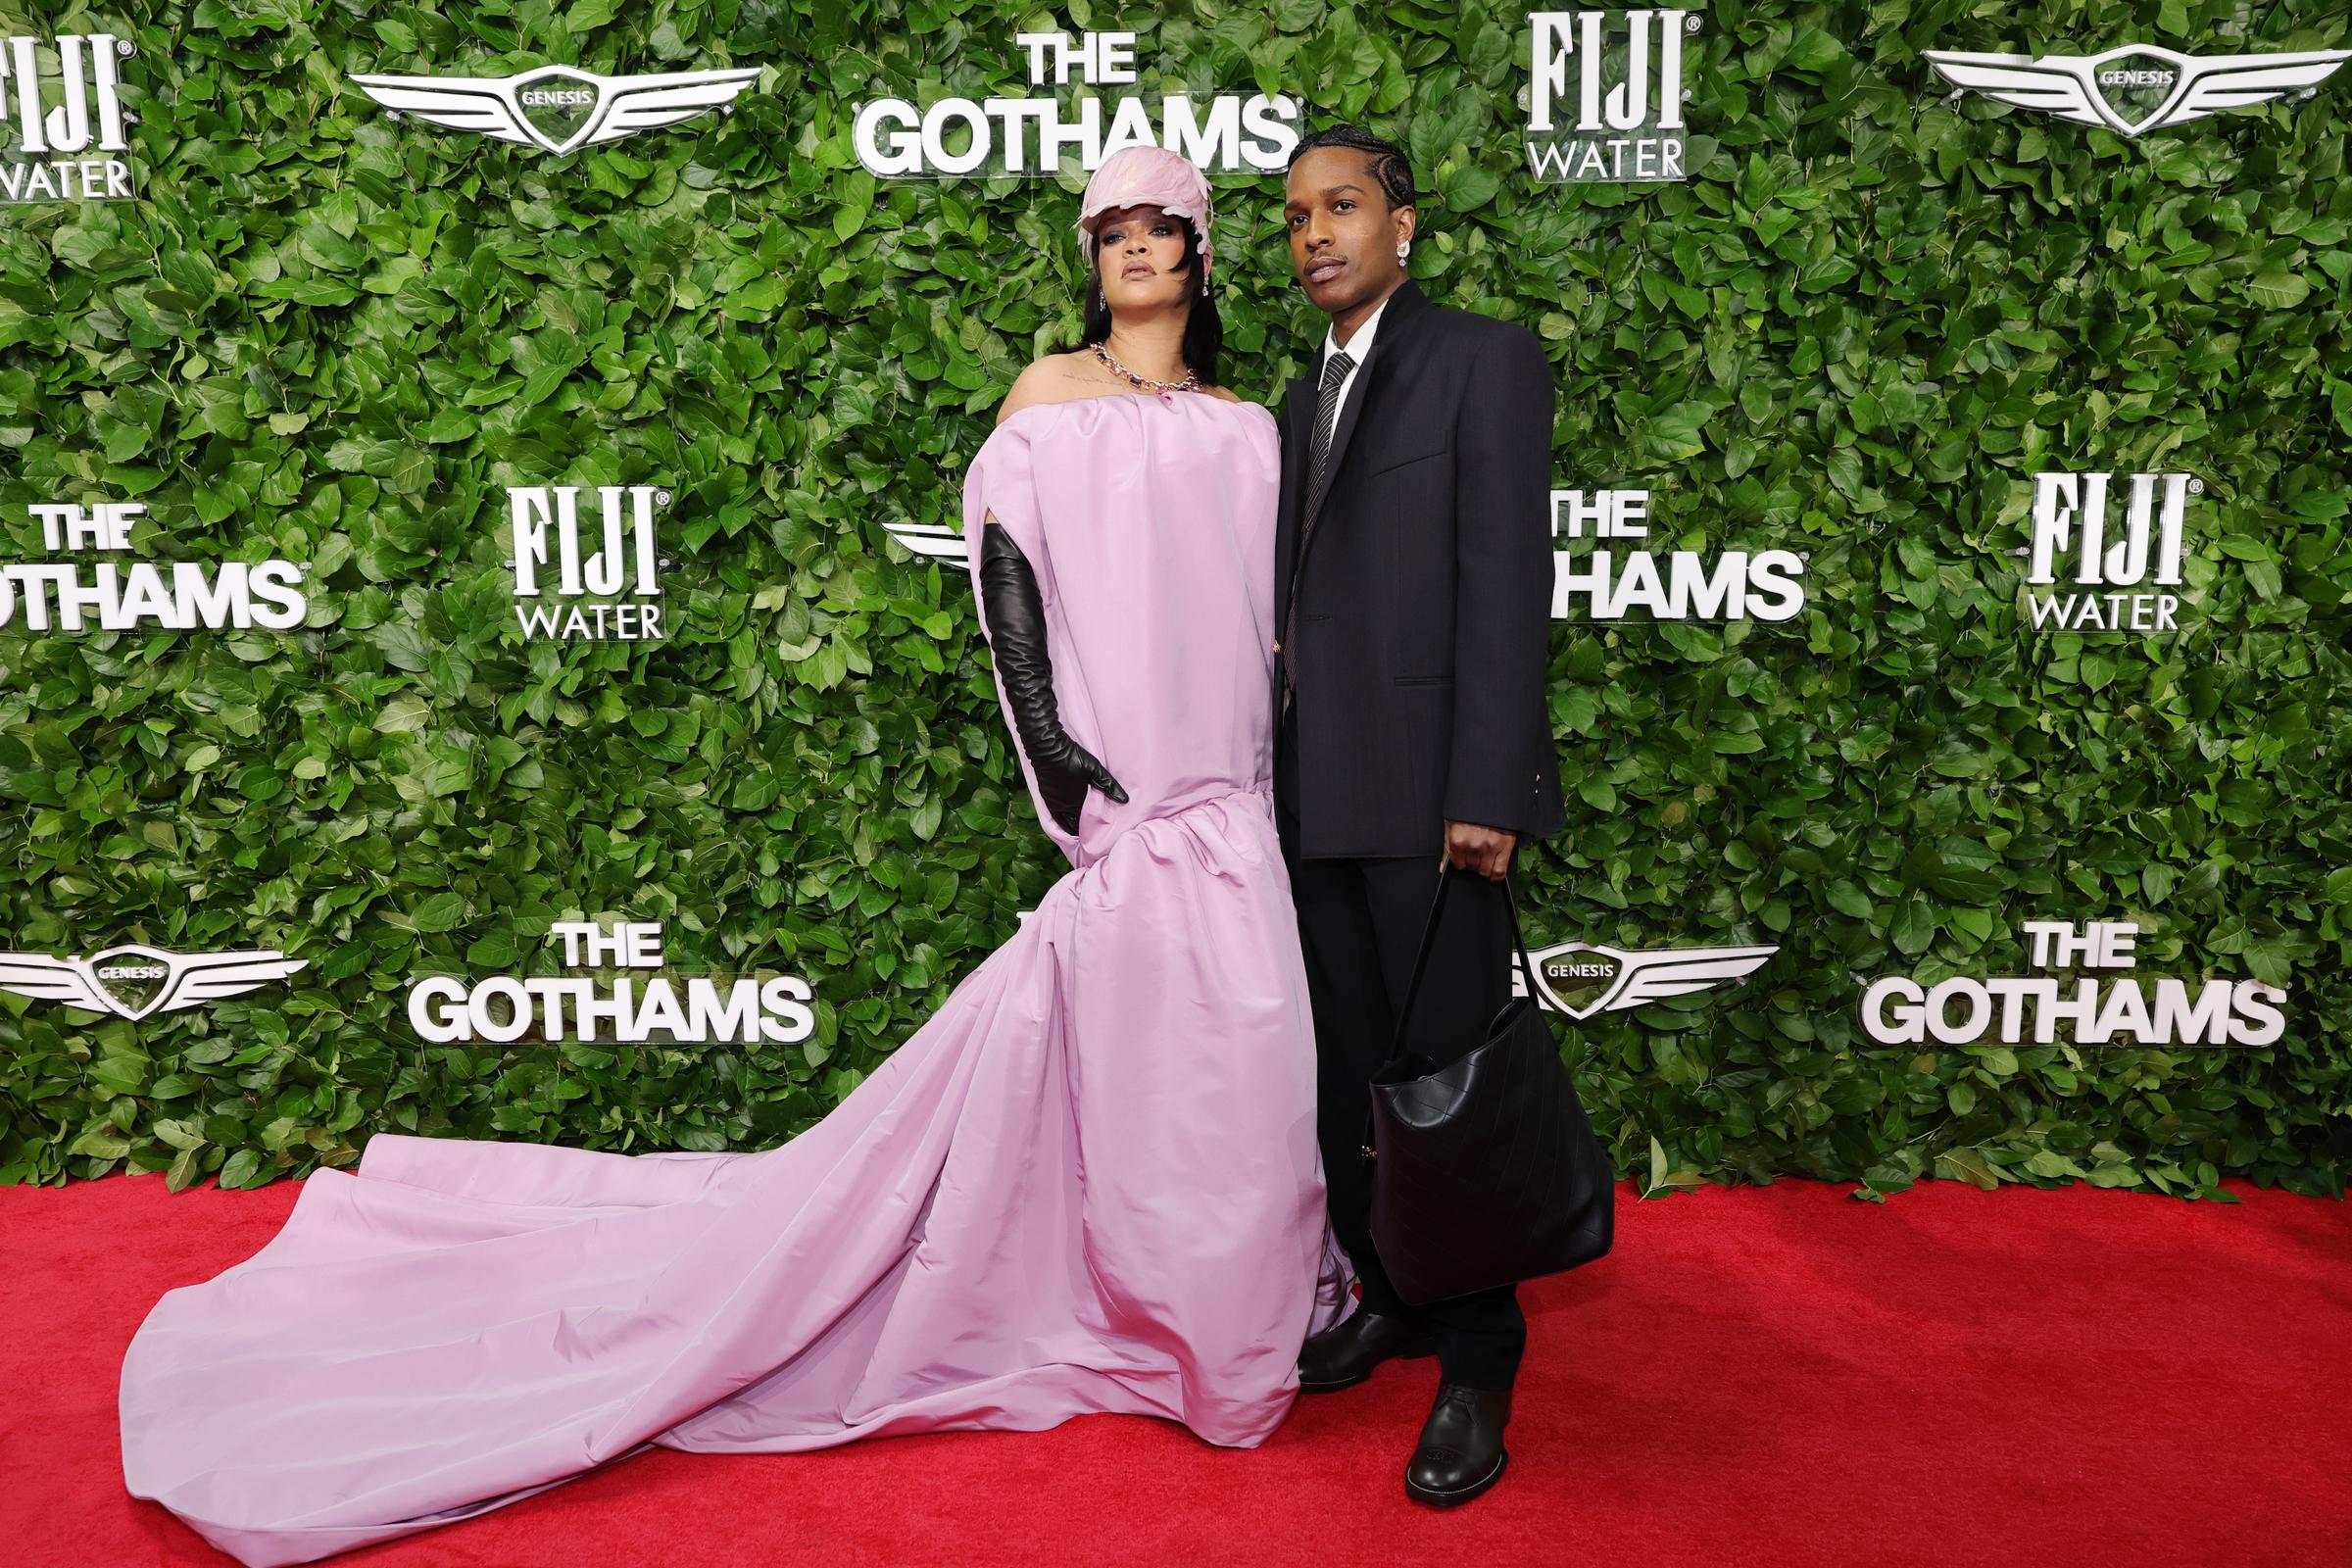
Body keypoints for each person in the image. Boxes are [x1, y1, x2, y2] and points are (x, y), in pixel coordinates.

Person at [117, 144, 1344, 1568]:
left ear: (1202, 250)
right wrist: (1050, 738)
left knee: (1236, 1062)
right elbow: (1010, 567)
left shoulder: (1256, 424)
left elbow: (1277, 613)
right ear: (1088, 254)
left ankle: (1227, 1314)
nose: (1137, 249)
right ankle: (1150, 1307)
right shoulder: (1044, 398)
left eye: (1162, 227)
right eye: (1112, 229)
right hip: (1127, 793)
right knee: (1144, 1058)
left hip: (1234, 796)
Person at [1269, 124, 1568, 1508]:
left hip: (1434, 803)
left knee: (1447, 1090)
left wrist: (1486, 792)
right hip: (1315, 795)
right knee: (1348, 1083)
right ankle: (1387, 1295)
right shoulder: (1296, 395)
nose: (1317, 234)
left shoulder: (1481, 359)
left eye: (1342, 208)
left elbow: (1507, 582)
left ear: (1406, 227)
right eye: (1294, 219)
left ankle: (1478, 1357)